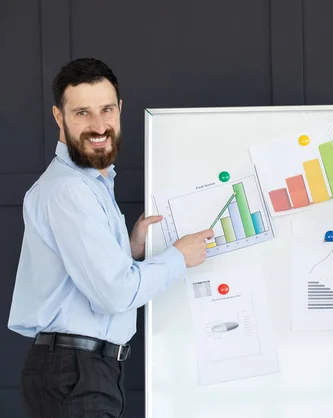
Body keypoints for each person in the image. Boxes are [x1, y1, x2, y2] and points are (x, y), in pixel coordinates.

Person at [7, 57, 213, 418]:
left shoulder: (91, 185)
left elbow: (82, 276)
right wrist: (179, 256)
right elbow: (116, 293)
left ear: (119, 109)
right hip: (75, 374)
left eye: (106, 109)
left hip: (84, 372)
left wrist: (130, 249)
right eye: (82, 113)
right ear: (59, 117)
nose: (99, 125)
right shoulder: (69, 191)